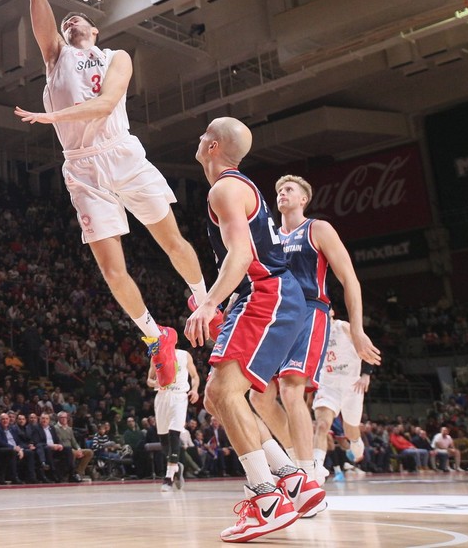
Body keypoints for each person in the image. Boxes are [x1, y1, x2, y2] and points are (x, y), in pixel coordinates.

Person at [16, 0, 208, 385]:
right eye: (66, 22)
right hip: (81, 166)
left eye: (79, 18)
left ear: (96, 31)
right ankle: (153, 337)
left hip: (121, 152)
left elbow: (105, 105)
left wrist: (52, 116)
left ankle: (203, 301)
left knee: (171, 241)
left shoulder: (115, 56)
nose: (71, 20)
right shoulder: (55, 57)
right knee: (109, 268)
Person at [185, 117, 308, 542]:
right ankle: (289, 477)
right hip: (263, 295)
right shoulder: (236, 188)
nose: (198, 138)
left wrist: (208, 303)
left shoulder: (226, 188)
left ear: (213, 145)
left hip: (267, 293)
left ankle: (266, 499)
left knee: (222, 392)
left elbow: (241, 256)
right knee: (217, 398)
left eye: (204, 134)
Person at [249, 174, 381, 502]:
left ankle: (307, 472)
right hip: (276, 315)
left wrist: (358, 329)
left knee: (293, 390)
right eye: (278, 189)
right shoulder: (269, 236)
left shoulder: (317, 229)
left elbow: (349, 279)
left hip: (311, 310)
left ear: (304, 198)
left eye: (289, 189)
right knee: (259, 397)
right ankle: (299, 459)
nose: (282, 193)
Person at [311, 310, 375, 485]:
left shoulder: (343, 327)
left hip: (351, 385)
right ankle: (315, 468)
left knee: (350, 430)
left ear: (330, 312)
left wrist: (366, 375)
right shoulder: (312, 332)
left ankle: (355, 441)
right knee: (322, 425)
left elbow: (368, 348)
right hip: (328, 385)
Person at [148, 348, 199, 492]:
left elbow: (195, 376)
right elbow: (149, 380)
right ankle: (176, 467)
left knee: (174, 433)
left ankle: (169, 477)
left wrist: (194, 389)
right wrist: (155, 383)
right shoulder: (156, 356)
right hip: (162, 397)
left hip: (179, 396)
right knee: (164, 439)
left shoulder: (184, 355)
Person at [54, 411, 92, 482]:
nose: (64, 419)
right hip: (63, 449)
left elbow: (74, 442)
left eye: (65, 417)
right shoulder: (55, 428)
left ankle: (78, 473)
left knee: (89, 452)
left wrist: (79, 449)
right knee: (72, 452)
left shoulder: (69, 429)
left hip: (71, 449)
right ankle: (71, 474)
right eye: (62, 417)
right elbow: (59, 442)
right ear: (58, 418)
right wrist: (74, 450)